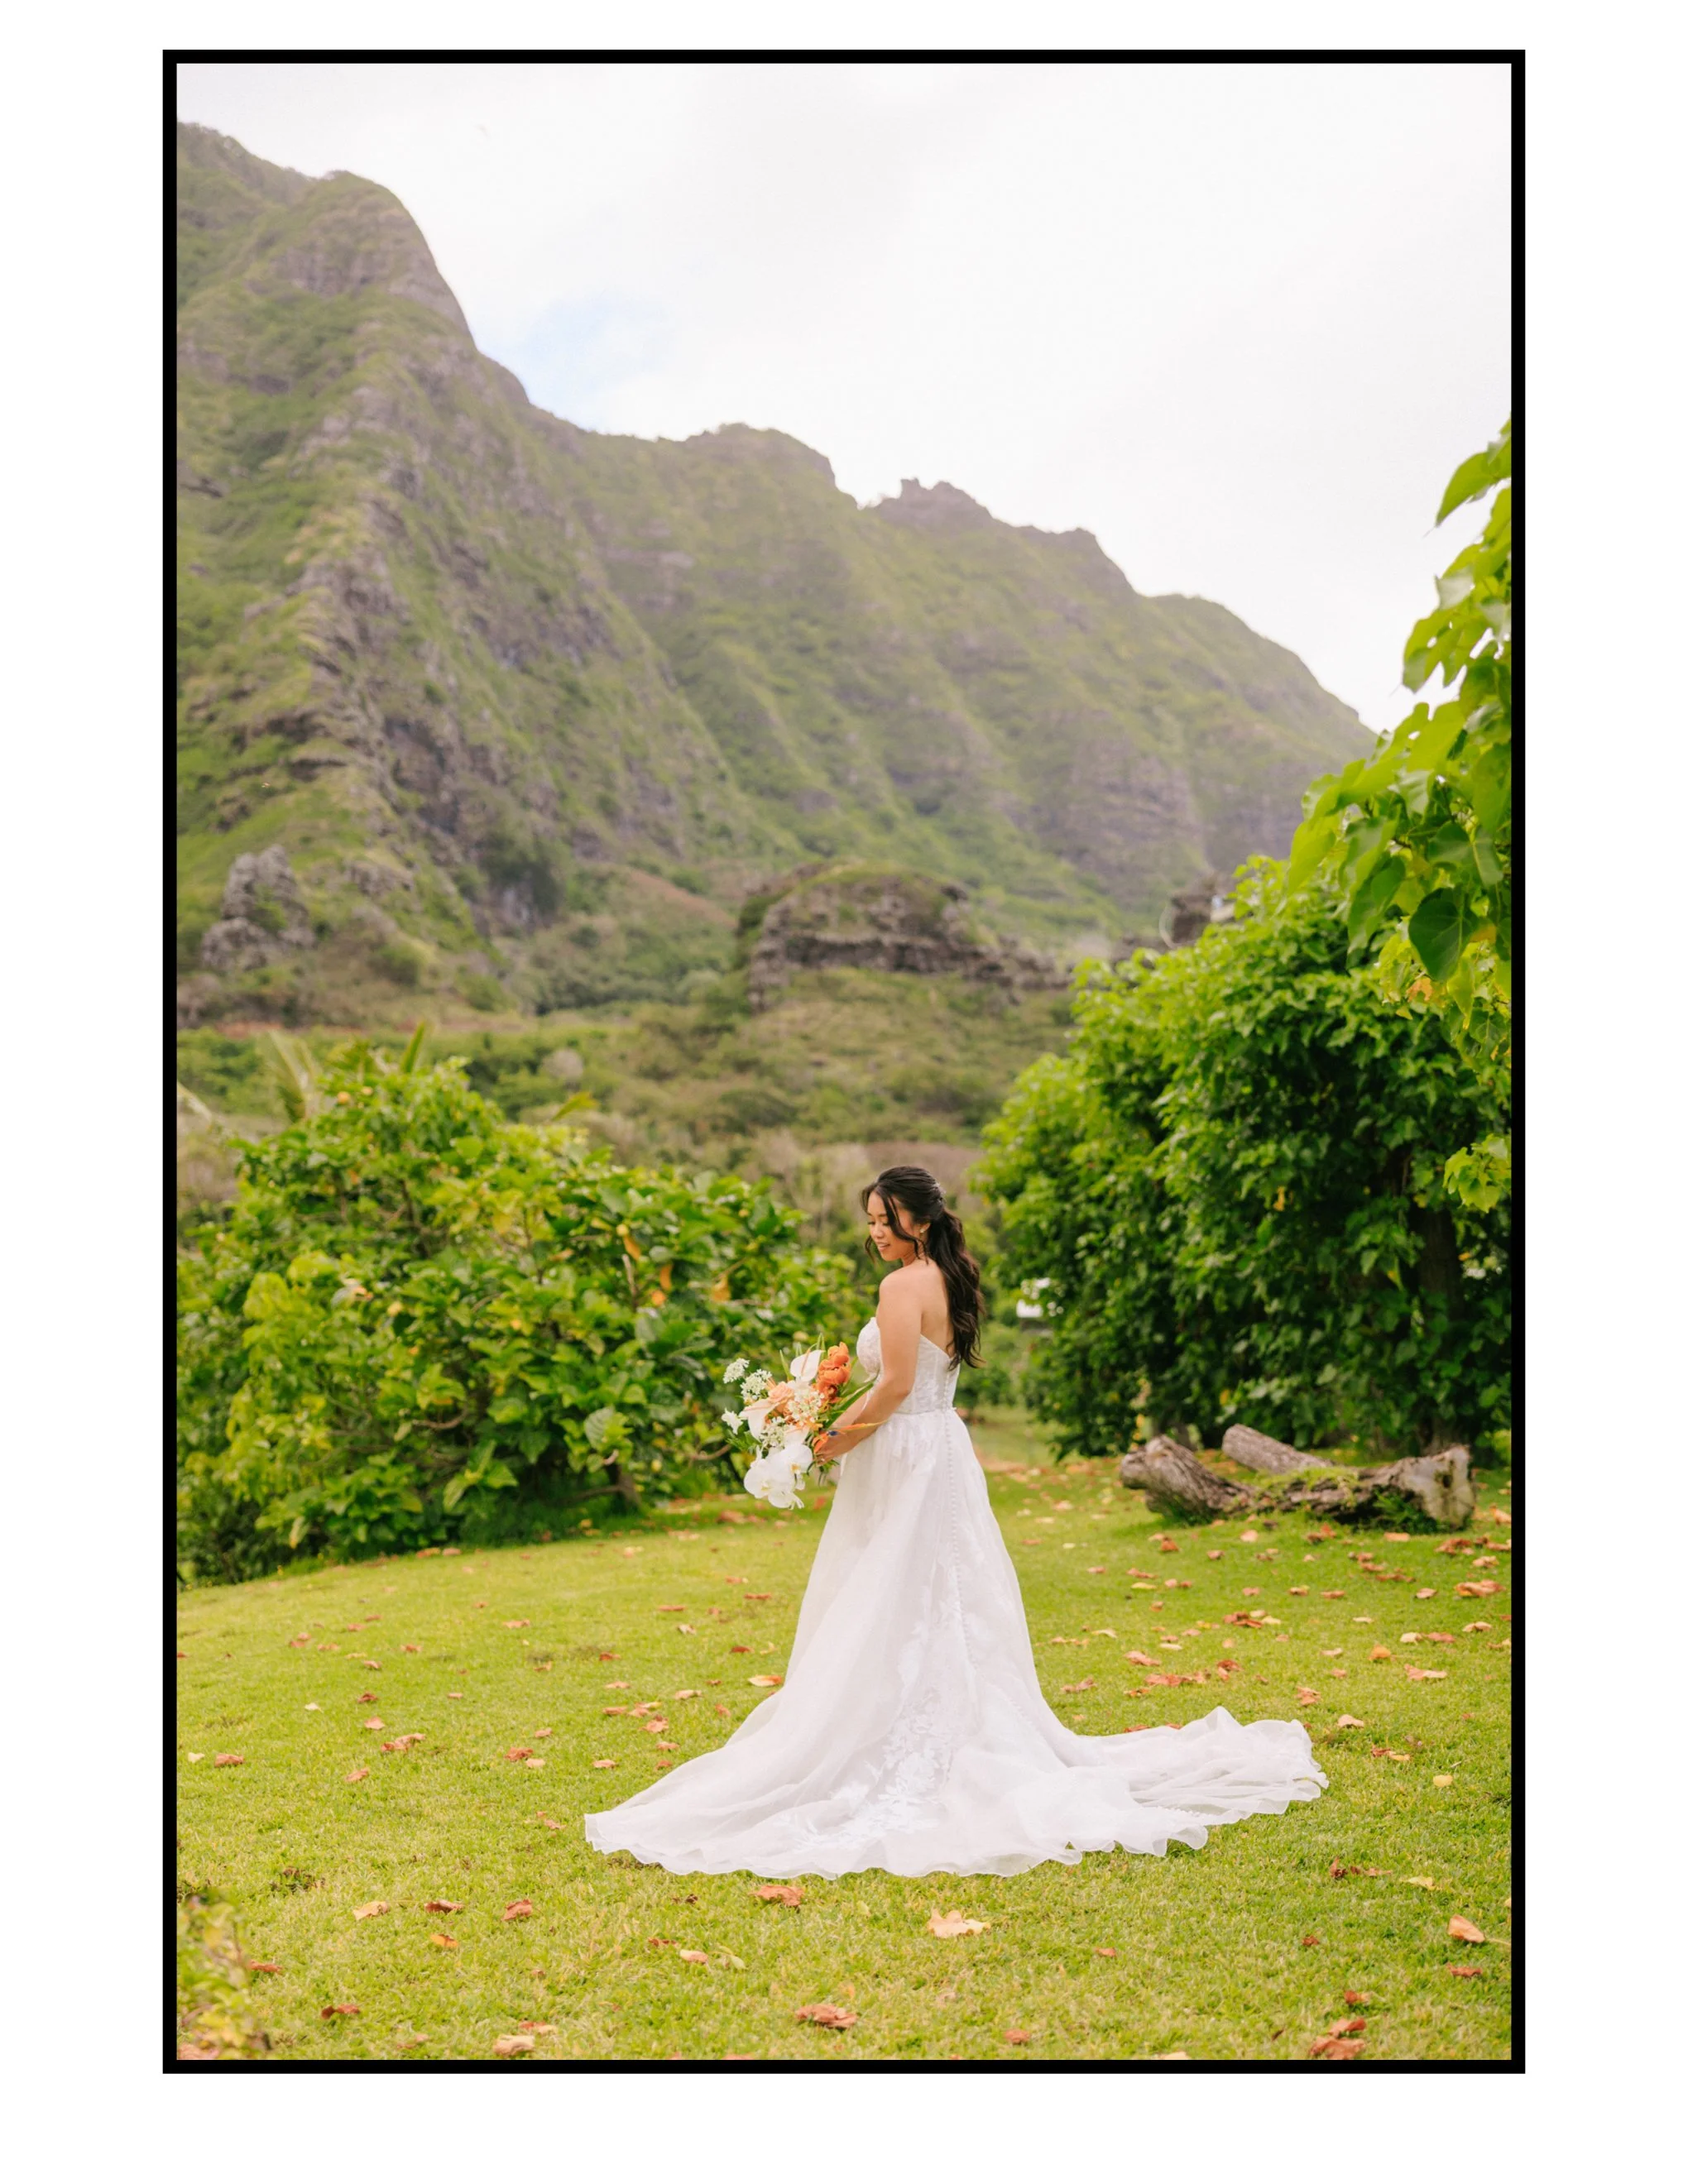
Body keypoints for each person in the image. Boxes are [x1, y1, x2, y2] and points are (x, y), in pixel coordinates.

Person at [584, 1165, 1325, 1878]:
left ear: (922, 1219)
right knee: (929, 1590)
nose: (876, 1232)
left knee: (898, 1588)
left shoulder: (903, 1285)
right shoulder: (948, 1277)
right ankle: (921, 1710)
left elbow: (898, 1386)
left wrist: (826, 1442)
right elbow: (903, 1386)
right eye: (871, 1221)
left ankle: (903, 1734)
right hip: (934, 1448)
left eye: (886, 1220)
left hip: (906, 1450)